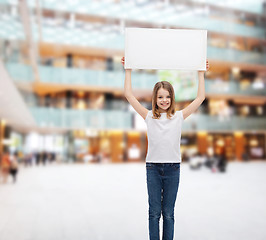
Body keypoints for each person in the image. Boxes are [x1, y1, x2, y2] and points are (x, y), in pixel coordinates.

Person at [121, 57, 209, 240]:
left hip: (173, 169)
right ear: (155, 98)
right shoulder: (148, 116)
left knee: (168, 213)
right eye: (160, 97)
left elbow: (200, 98)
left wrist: (201, 73)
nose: (164, 100)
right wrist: (128, 69)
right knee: (154, 213)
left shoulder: (179, 116)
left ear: (172, 98)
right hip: (153, 168)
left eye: (168, 96)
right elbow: (129, 94)